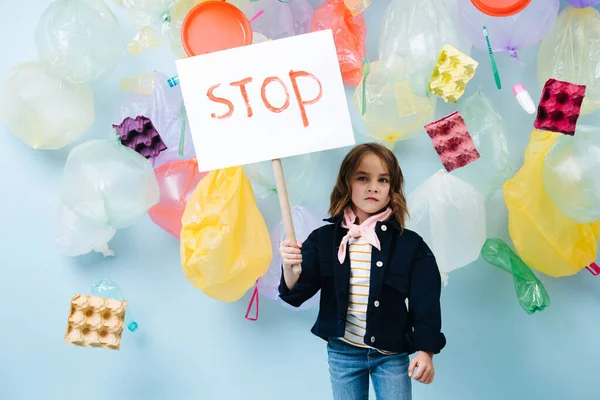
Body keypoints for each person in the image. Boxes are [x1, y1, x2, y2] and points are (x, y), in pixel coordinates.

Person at [278, 143, 446, 400]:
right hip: (343, 353)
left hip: (390, 355)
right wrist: (290, 266)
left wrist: (426, 351)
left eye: (383, 180)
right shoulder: (323, 239)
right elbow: (297, 292)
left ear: (393, 189)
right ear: (347, 183)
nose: (373, 186)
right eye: (363, 178)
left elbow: (426, 303)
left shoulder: (410, 245)